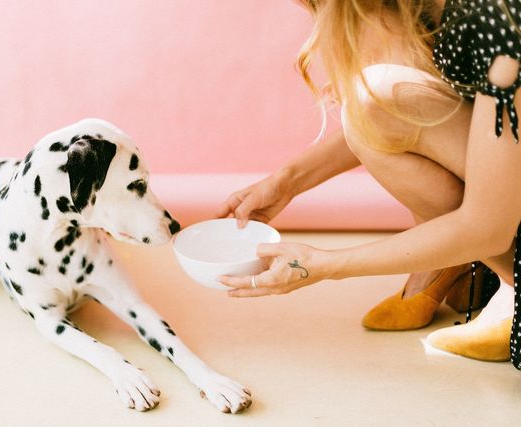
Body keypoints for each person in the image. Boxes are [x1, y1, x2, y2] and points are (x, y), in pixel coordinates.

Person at [217, 0, 521, 368]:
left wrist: (324, 265)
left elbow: (487, 227)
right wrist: (286, 183)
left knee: (377, 95)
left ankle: (497, 282)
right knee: (375, 104)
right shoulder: (443, 14)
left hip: (496, 218)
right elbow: (388, 121)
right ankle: (464, 268)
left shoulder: (501, 23)